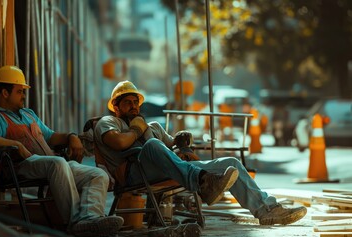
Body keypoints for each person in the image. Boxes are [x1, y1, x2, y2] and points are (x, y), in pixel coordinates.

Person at [94, 80, 307, 226]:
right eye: (127, 103)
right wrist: (137, 129)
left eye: (135, 102)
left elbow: (177, 151)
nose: (133, 107)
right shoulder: (108, 122)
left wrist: (183, 144)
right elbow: (120, 142)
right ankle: (202, 181)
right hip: (134, 173)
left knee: (229, 162)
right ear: (116, 106)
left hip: (171, 170)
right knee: (151, 146)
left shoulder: (153, 127)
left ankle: (266, 210)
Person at [0, 65, 123, 237]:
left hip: (49, 165)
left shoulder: (27, 114)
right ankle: (76, 222)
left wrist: (71, 136)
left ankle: (90, 219)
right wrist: (16, 144)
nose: (24, 96)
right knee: (58, 162)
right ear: (4, 93)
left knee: (98, 174)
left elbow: (51, 136)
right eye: (19, 91)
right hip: (18, 167)